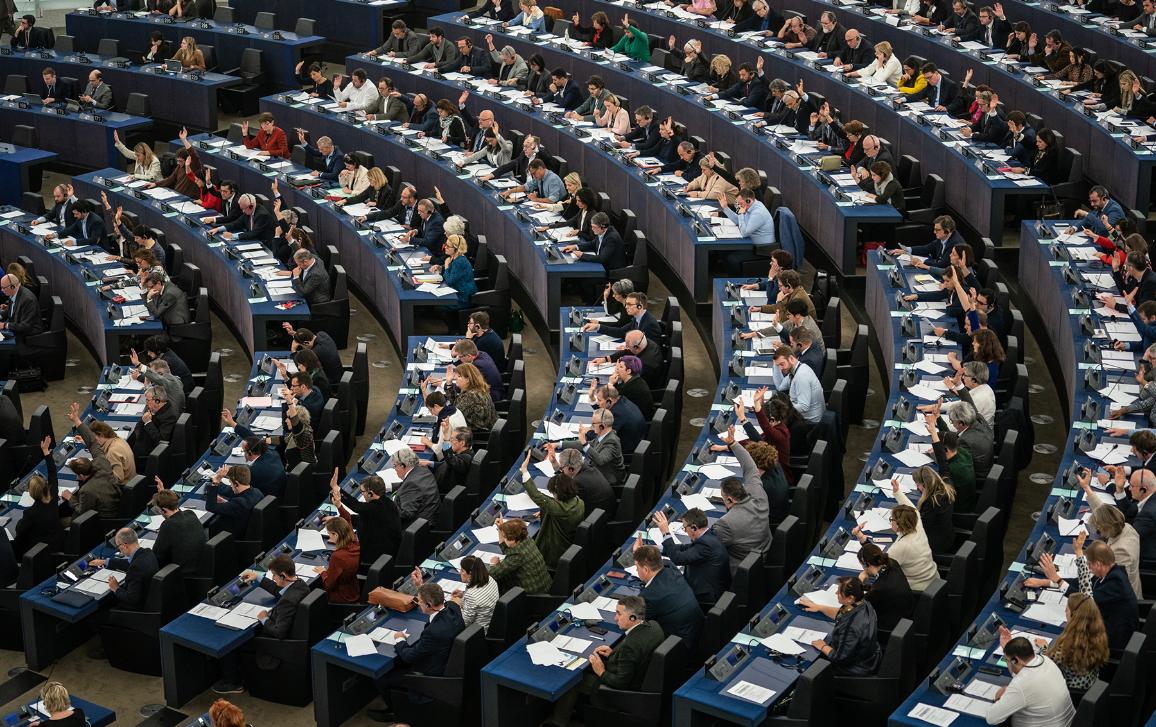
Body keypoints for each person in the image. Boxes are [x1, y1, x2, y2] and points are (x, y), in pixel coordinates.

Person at [548, 596, 665, 726]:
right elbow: (637, 657)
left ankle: (558, 722)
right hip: (643, 678)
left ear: (632, 618)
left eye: (619, 614)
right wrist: (613, 654)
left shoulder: (630, 646)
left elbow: (620, 682)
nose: (615, 618)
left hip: (624, 691)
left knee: (572, 682)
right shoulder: (654, 626)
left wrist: (601, 671)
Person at [367, 582, 465, 723]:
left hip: (430, 674)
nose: (417, 603)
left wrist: (400, 640)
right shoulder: (453, 609)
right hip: (445, 659)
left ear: (429, 605)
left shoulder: (433, 632)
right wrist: (422, 585)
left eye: (419, 601)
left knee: (381, 677)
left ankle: (394, 713)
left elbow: (408, 657)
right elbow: (452, 600)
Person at [212, 554, 310, 694]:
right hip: (295, 636)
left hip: (275, 644)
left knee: (230, 638)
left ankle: (233, 682)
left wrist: (264, 619)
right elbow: (280, 591)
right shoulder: (300, 584)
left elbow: (279, 632)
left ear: (283, 575)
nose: (273, 578)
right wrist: (257, 577)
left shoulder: (287, 602)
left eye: (274, 575)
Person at [1000, 592, 1109, 694]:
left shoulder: (1067, 648)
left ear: (1073, 616)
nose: (1065, 612)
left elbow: (1029, 675)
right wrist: (1044, 649)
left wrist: (1008, 649)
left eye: (1067, 609)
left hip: (1066, 695)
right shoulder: (1097, 635)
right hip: (1088, 689)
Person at [854, 491, 938, 592]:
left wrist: (862, 576)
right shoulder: (916, 523)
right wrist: (897, 492)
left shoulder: (902, 547)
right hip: (933, 579)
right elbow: (913, 509)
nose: (890, 522)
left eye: (891, 519)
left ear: (898, 524)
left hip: (918, 589)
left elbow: (878, 563)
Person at [983, 637, 1075, 726]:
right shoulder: (1045, 660)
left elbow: (991, 718)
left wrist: (998, 699)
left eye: (1007, 660)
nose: (1007, 663)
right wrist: (1008, 651)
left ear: (1016, 660)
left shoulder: (1020, 686)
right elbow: (1022, 673)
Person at [712, 437, 772, 572]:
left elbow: (709, 547)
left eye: (723, 498)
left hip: (742, 568)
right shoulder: (758, 493)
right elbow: (750, 466)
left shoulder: (726, 523)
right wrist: (733, 443)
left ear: (730, 499)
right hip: (765, 551)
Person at [800, 576, 882, 675]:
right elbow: (842, 614)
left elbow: (839, 658)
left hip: (854, 669)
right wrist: (820, 607)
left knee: (808, 669)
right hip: (870, 657)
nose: (836, 594)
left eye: (839, 592)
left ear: (850, 598)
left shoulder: (851, 626)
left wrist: (823, 646)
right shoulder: (863, 603)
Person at [655, 508, 729, 607]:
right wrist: (657, 550)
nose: (685, 531)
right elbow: (684, 548)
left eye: (685, 527)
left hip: (705, 598)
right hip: (712, 586)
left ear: (694, 527)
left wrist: (666, 533)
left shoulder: (705, 545)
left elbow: (677, 558)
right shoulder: (708, 536)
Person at [630, 544, 703, 642]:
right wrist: (640, 552)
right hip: (698, 630)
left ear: (646, 570)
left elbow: (636, 625)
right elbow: (663, 560)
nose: (636, 570)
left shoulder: (649, 596)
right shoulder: (670, 567)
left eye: (637, 567)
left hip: (678, 645)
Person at [520, 460, 584, 567]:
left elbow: (537, 496)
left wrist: (525, 471)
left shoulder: (560, 509)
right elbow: (557, 505)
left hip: (554, 554)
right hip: (568, 544)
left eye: (553, 493)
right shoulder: (578, 501)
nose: (553, 495)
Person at [412, 555, 498, 631]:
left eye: (462, 570)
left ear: (470, 573)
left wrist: (454, 604)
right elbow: (480, 599)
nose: (460, 572)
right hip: (489, 622)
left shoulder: (472, 596)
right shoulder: (489, 579)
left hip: (477, 633)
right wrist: (463, 595)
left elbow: (462, 623)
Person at [61, 419, 122, 519]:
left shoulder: (86, 490)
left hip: (103, 520)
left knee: (62, 522)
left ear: (81, 475)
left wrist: (70, 498)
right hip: (115, 505)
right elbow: (93, 443)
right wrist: (77, 421)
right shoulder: (102, 463)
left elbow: (82, 512)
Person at [90, 527, 159, 609]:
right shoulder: (147, 552)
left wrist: (116, 588)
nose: (119, 550)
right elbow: (129, 563)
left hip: (138, 608)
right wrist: (105, 562)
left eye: (118, 546)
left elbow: (132, 599)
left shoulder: (136, 568)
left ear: (124, 546)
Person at [855, 543, 914, 632]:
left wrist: (859, 580)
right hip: (908, 616)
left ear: (867, 564)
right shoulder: (893, 563)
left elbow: (857, 606)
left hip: (889, 629)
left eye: (862, 566)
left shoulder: (878, 589)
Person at [487, 518, 551, 593]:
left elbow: (493, 574)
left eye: (504, 537)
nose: (503, 539)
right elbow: (506, 548)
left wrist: (493, 564)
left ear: (512, 539)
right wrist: (501, 528)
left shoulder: (517, 556)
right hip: (545, 585)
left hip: (532, 594)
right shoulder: (526, 539)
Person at [151, 486, 205, 573]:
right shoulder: (190, 513)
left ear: (164, 510)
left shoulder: (168, 525)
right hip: (201, 565)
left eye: (159, 511)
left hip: (184, 574)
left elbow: (157, 555)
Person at [907, 468, 956, 555]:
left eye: (918, 485)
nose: (917, 488)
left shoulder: (932, 503)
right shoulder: (946, 487)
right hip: (947, 535)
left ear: (925, 485)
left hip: (935, 545)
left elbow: (921, 527)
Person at [205, 465, 264, 537]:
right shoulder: (257, 492)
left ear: (236, 484)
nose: (231, 486)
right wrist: (225, 502)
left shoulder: (239, 503)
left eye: (231, 483)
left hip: (226, 536)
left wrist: (216, 481)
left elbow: (210, 507)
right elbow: (240, 508)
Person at [314, 516, 360, 603]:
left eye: (329, 534)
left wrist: (323, 572)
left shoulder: (338, 557)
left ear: (336, 534)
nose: (329, 537)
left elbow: (328, 585)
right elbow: (348, 521)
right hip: (354, 591)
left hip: (341, 597)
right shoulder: (355, 543)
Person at [448, 362, 497, 431]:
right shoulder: (477, 389)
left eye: (459, 376)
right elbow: (455, 403)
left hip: (475, 433)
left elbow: (454, 415)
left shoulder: (471, 396)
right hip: (485, 428)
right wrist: (448, 383)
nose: (455, 378)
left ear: (468, 379)